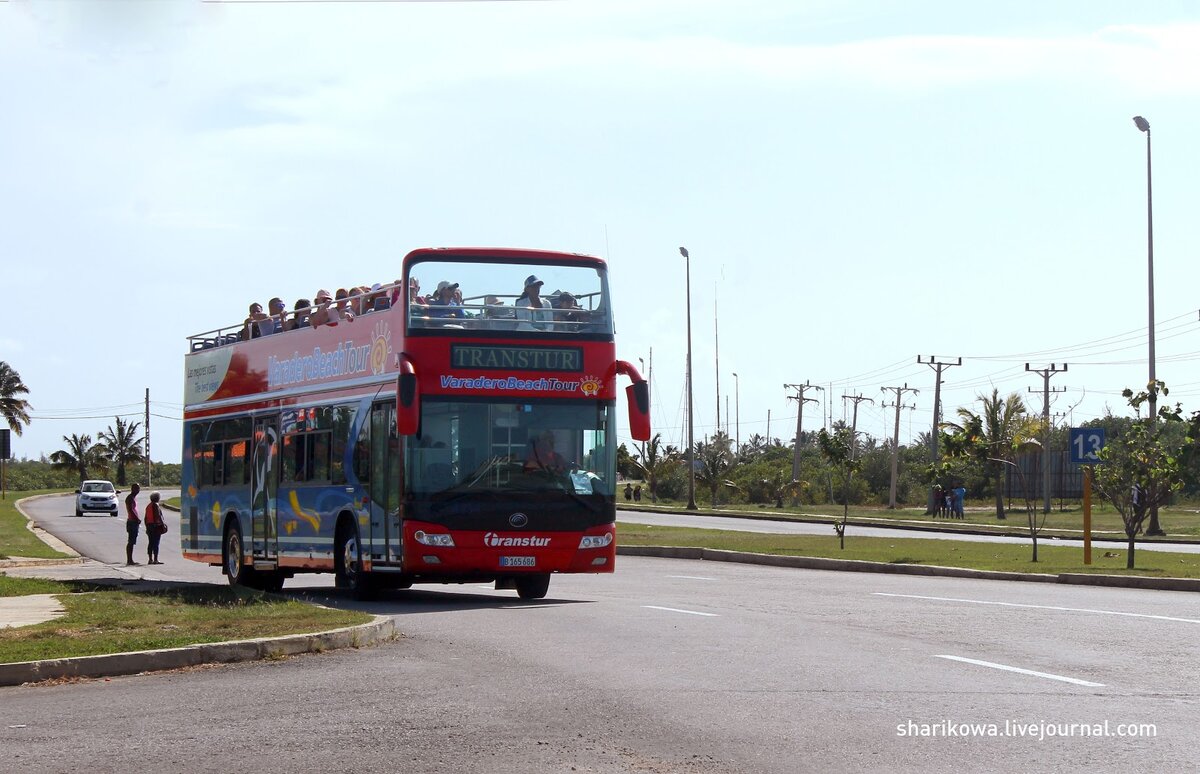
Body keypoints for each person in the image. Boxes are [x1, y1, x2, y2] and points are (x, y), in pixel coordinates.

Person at [143, 492, 167, 564]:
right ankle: (155, 559)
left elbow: (145, 518)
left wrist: (147, 526)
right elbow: (158, 516)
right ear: (157, 498)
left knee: (150, 542)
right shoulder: (156, 505)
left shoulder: (148, 506)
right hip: (155, 526)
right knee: (156, 542)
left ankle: (150, 559)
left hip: (149, 525)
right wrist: (163, 524)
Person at [124, 482, 141, 566]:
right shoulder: (130, 498)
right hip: (132, 521)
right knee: (131, 541)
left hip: (134, 521)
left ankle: (131, 559)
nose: (138, 490)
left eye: (139, 488)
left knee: (133, 541)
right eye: (137, 488)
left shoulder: (134, 498)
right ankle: (129, 560)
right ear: (132, 489)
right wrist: (137, 518)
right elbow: (131, 510)